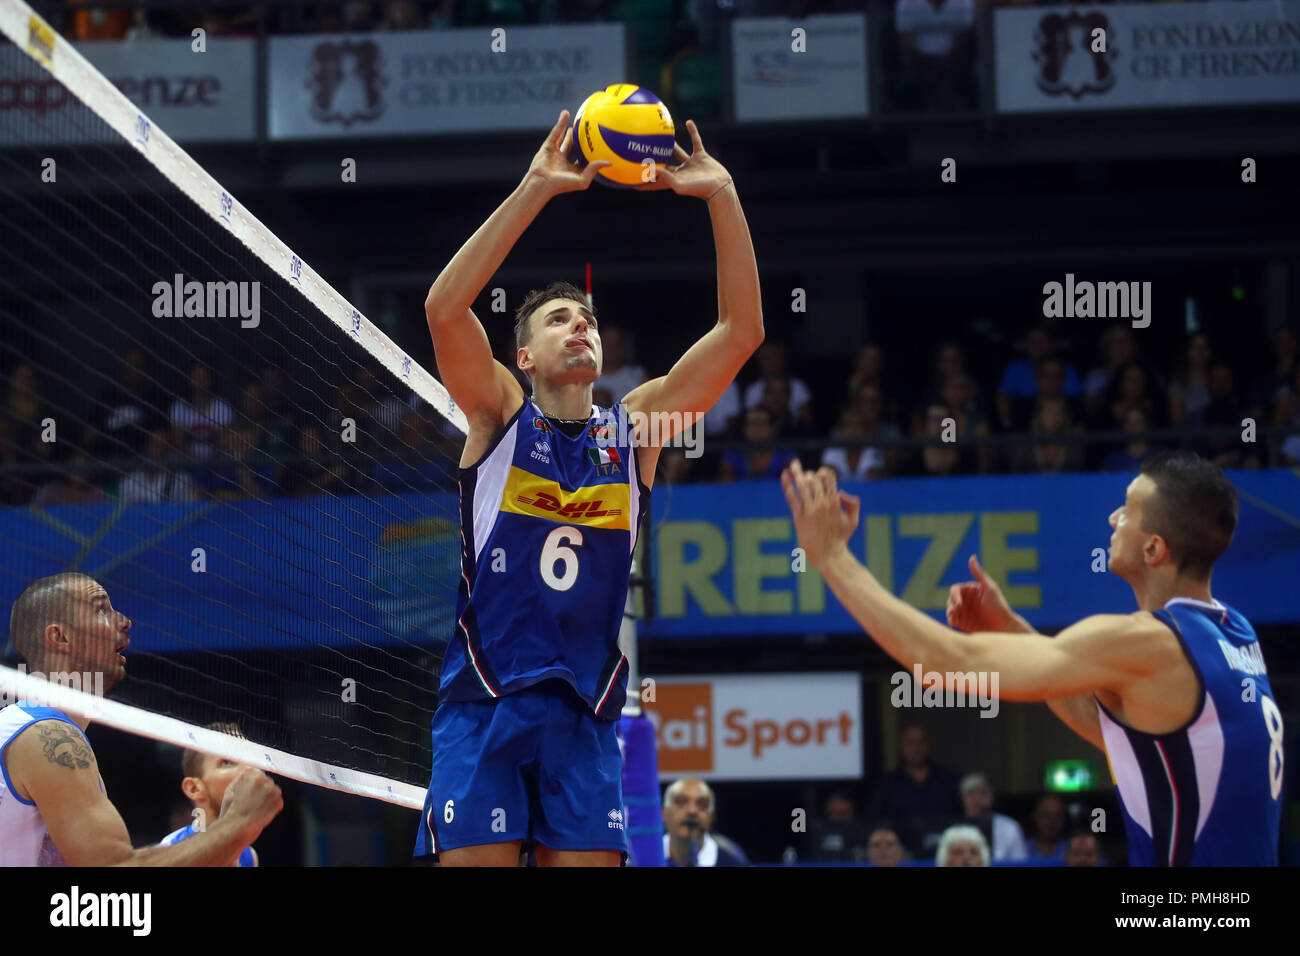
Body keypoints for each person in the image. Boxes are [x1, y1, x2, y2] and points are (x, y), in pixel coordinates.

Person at [413, 113, 762, 867]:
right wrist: (536, 189)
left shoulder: (636, 429)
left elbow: (741, 333)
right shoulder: (499, 416)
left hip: (586, 712)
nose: (581, 327)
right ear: (525, 353)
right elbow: (444, 308)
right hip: (486, 700)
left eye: (590, 320)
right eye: (559, 319)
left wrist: (721, 195)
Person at [783, 450, 1283, 865]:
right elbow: (1123, 737)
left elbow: (942, 661)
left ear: (1154, 548)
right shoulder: (1234, 633)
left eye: (1127, 510)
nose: (1114, 518)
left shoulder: (1149, 643)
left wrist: (832, 558)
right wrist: (1012, 630)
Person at [1, 573, 282, 865]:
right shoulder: (46, 735)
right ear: (60, 637)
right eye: (101, 610)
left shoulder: (41, 731)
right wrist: (240, 823)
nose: (124, 621)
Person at [159, 723, 259, 866]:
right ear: (194, 788)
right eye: (227, 762)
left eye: (250, 761)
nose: (249, 770)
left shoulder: (249, 855)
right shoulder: (170, 851)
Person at [865, 723, 962, 857]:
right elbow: (876, 823)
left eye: (920, 742)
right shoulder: (886, 784)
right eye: (910, 742)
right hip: (901, 857)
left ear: (929, 745)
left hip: (946, 854)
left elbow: (961, 819)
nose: (916, 748)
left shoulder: (950, 780)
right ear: (900, 746)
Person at [661, 778, 749, 867]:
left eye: (702, 804)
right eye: (681, 802)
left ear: (711, 817)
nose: (692, 811)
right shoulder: (647, 855)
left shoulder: (732, 863)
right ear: (664, 813)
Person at [959, 772, 1027, 861]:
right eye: (971, 794)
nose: (977, 800)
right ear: (962, 799)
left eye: (983, 793)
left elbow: (1020, 863)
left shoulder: (1010, 827)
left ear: (991, 797)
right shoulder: (953, 828)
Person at [1024, 793, 1069, 863]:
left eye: (1058, 815)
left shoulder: (1073, 849)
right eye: (1046, 815)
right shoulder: (1022, 848)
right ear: (1035, 816)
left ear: (1064, 819)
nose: (1052, 821)